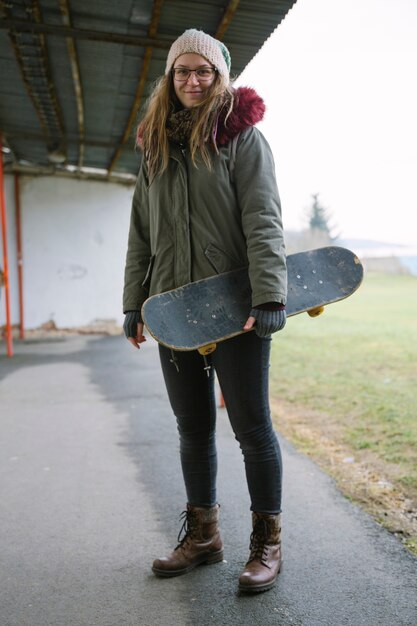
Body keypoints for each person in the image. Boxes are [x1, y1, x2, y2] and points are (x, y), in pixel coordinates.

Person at [123, 29, 287, 594]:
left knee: (251, 429)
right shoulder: (153, 146)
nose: (193, 80)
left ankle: (267, 543)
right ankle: (203, 536)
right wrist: (133, 302)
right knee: (193, 429)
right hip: (174, 310)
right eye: (182, 71)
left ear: (221, 78)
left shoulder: (242, 139)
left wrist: (270, 295)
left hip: (236, 310)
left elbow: (263, 220)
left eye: (204, 71)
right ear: (170, 78)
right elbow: (140, 231)